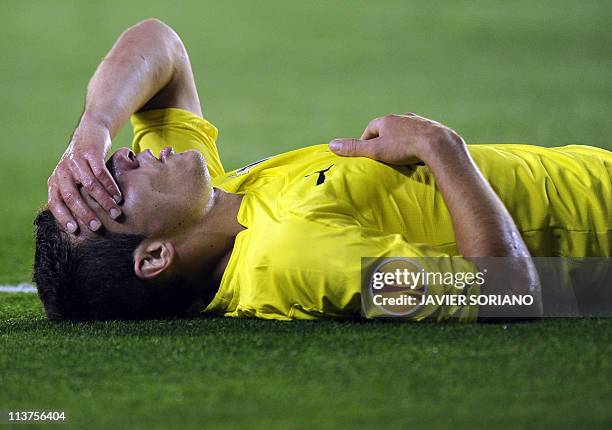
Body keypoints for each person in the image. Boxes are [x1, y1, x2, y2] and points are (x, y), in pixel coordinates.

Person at [33, 19, 611, 322]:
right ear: (155, 256)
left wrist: (94, 126)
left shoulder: (217, 200)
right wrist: (440, 148)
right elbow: (504, 295)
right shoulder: (296, 255)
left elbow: (159, 43)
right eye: (112, 182)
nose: (124, 157)